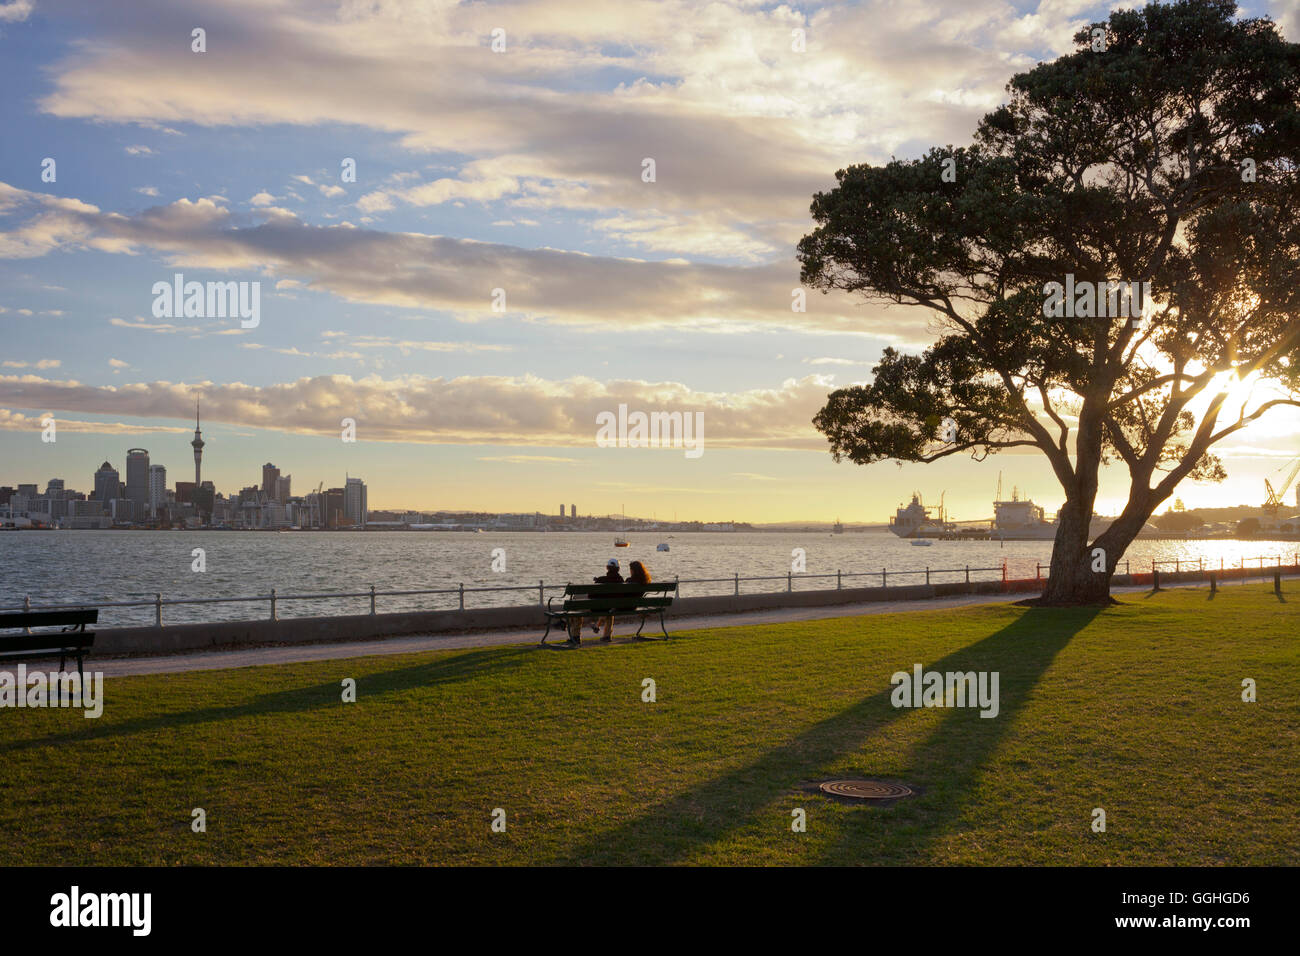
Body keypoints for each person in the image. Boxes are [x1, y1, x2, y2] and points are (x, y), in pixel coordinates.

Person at [566, 559, 624, 645]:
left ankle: (576, 636)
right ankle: (607, 636)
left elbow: (591, 596)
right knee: (609, 608)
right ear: (618, 569)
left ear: (607, 568)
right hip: (610, 607)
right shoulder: (621, 581)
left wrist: (598, 581)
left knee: (577, 609)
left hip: (595, 608)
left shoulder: (601, 579)